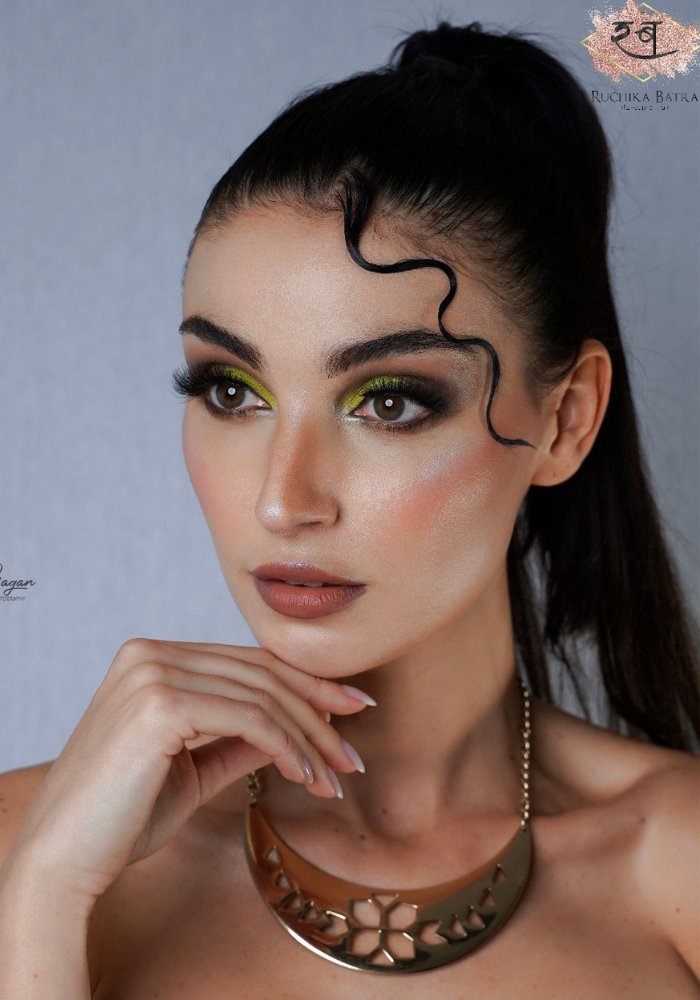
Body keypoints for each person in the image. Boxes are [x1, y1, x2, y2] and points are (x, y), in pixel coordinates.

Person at [0, 18, 698, 998]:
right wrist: (43, 894)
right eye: (232, 391)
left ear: (565, 419)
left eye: (389, 402)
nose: (282, 500)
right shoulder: (32, 851)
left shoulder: (677, 860)